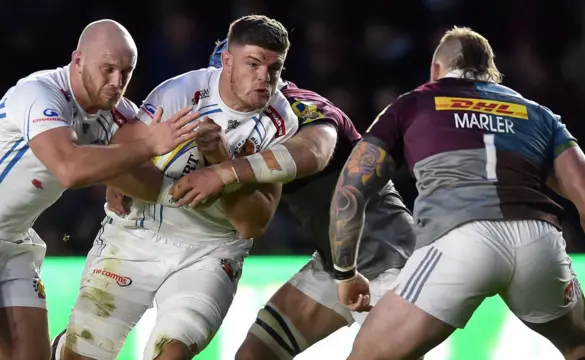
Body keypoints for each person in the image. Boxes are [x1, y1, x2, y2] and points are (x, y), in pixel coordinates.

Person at [329, 26, 585, 360]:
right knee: (581, 345)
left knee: (370, 354)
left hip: (458, 239)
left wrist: (346, 272)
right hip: (537, 241)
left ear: (436, 71)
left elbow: (350, 190)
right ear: (493, 74)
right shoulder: (538, 114)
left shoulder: (413, 104)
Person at [52, 15, 299, 360]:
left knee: (174, 352)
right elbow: (122, 148)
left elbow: (252, 223)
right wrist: (118, 174)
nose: (264, 78)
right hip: (140, 233)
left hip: (211, 250)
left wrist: (220, 160)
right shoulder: (183, 92)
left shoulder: (281, 122)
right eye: (253, 64)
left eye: (274, 69)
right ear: (227, 60)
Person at [164, 39, 415, 359]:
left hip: (391, 261)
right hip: (337, 264)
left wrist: (225, 172)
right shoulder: (242, 129)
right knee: (255, 355)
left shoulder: (298, 106)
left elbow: (315, 152)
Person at [0, 19, 197, 360]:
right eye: (107, 69)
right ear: (77, 61)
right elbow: (70, 168)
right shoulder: (38, 93)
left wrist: (118, 174)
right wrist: (145, 146)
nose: (116, 83)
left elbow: (150, 186)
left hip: (13, 239)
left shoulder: (117, 114)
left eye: (126, 72)